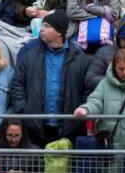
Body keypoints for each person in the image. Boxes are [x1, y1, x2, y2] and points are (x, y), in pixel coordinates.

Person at [10, 9, 89, 147]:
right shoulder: (29, 54)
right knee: (37, 168)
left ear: (59, 32)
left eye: (47, 26)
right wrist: (24, 110)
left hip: (69, 128)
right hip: (35, 128)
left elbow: (87, 88)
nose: (41, 29)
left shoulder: (80, 57)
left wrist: (80, 111)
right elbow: (17, 84)